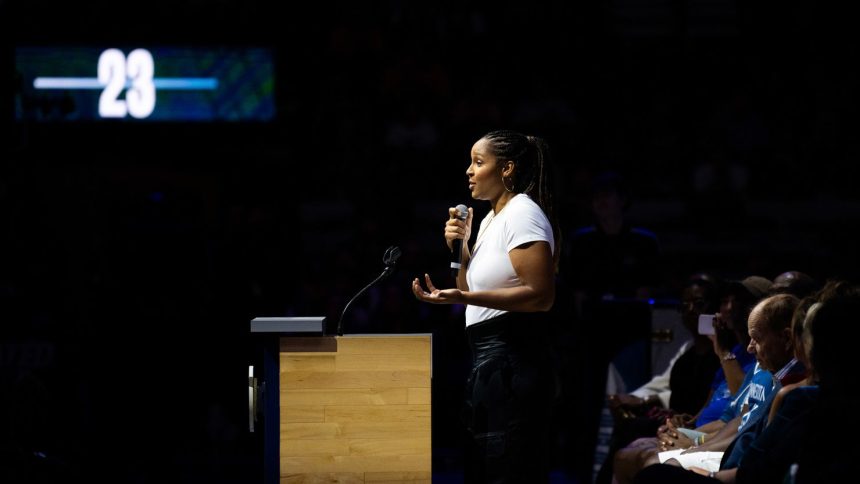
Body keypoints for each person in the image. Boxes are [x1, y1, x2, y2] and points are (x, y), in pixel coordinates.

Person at [411, 129, 560, 483]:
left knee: (510, 470)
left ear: (506, 169)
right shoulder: (492, 217)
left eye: (478, 162)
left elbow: (541, 295)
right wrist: (462, 249)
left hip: (516, 358)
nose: (469, 170)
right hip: (488, 358)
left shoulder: (523, 213)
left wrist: (463, 298)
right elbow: (469, 288)